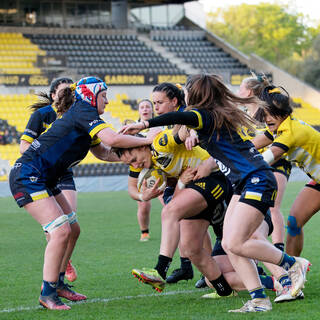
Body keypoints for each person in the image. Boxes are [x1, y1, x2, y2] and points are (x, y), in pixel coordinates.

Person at [120, 74, 310, 313]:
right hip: (243, 183)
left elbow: (181, 116)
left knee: (235, 242)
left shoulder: (204, 115)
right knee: (231, 245)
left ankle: (293, 264)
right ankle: (259, 300)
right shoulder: (215, 115)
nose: (184, 95)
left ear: (195, 94)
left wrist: (145, 124)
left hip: (256, 180)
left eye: (187, 91)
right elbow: (184, 125)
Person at [9, 76, 153, 310]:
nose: (107, 101)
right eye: (104, 96)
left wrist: (134, 157)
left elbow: (105, 153)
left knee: (73, 229)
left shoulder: (84, 116)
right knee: (61, 231)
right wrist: (148, 139)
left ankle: (59, 284)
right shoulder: (84, 110)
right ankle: (47, 294)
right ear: (90, 96)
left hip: (45, 177)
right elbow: (113, 138)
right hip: (29, 175)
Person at [113, 128, 235, 297]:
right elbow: (132, 188)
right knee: (191, 248)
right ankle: (225, 291)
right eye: (130, 164)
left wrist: (191, 133)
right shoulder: (151, 164)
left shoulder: (159, 144)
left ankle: (160, 271)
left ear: (141, 146)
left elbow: (182, 131)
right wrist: (145, 195)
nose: (135, 166)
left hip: (214, 178)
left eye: (134, 160)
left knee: (169, 211)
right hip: (196, 186)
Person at [20, 77, 79, 284]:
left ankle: (63, 264)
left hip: (63, 173)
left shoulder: (77, 115)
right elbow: (23, 147)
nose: (67, 95)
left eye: (71, 91)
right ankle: (61, 266)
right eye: (63, 91)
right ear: (53, 95)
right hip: (42, 171)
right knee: (58, 225)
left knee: (71, 221)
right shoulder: (43, 115)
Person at [252, 85, 320, 258]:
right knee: (294, 221)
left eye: (270, 113)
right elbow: (251, 146)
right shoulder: (280, 128)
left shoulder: (290, 132)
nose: (266, 119)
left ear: (282, 112)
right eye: (264, 114)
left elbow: (264, 159)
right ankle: (292, 271)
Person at [239, 74, 291, 253]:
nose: (238, 92)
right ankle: (259, 250)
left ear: (250, 92)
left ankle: (279, 249)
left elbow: (280, 137)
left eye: (240, 88)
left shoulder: (267, 111)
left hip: (276, 161)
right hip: (255, 166)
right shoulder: (243, 115)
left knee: (273, 205)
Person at [127, 99, 154, 241]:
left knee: (168, 202)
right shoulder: (132, 129)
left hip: (161, 169)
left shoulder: (159, 126)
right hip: (141, 172)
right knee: (143, 205)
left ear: (152, 110)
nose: (145, 109)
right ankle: (144, 232)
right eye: (142, 107)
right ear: (138, 111)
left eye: (147, 106)